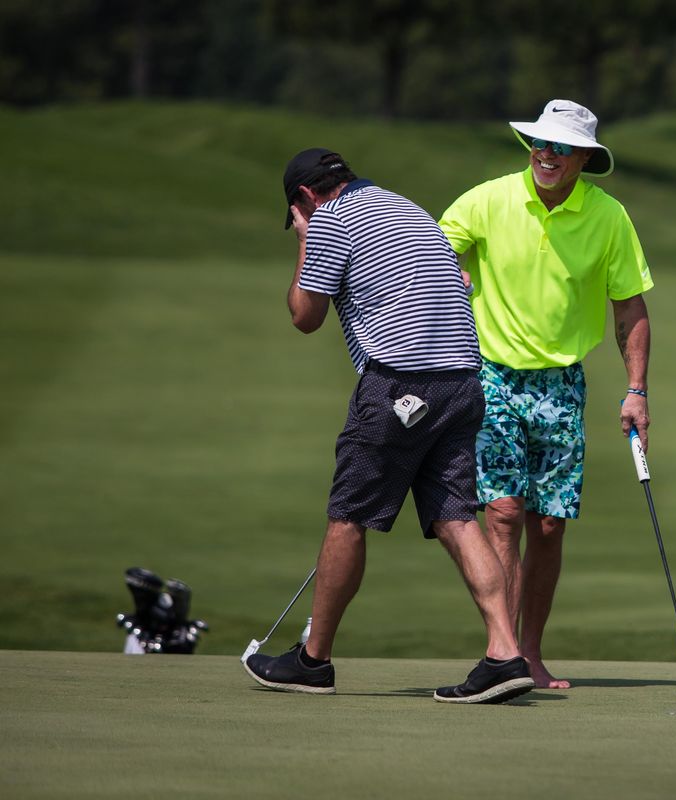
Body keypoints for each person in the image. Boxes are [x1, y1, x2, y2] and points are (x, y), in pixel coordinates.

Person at [244, 148, 534, 704]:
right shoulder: (405, 206)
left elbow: (305, 316)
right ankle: (504, 652)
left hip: (399, 384)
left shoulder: (328, 218)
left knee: (348, 516)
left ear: (304, 196)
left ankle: (313, 659)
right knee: (456, 516)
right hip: (463, 383)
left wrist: (305, 236)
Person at [438, 100, 654, 688]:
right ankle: (502, 651)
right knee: (503, 514)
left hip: (562, 384)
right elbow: (430, 249)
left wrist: (636, 390)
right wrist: (454, 280)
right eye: (540, 142)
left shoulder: (609, 217)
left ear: (585, 157)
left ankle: (529, 651)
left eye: (561, 146)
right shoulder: (489, 198)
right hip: (491, 375)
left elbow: (630, 308)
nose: (546, 154)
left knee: (550, 525)